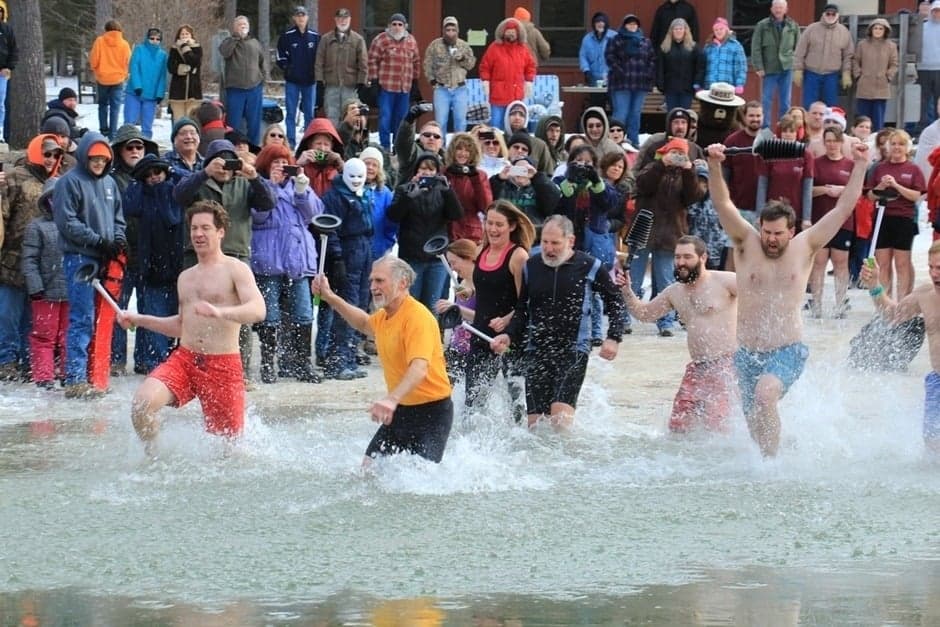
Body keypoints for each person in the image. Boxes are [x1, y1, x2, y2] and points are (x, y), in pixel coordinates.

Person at [705, 139, 869, 457]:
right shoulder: (746, 242)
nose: (771, 239)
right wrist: (714, 166)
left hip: (787, 349)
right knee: (753, 419)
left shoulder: (806, 246)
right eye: (767, 232)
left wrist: (861, 165)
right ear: (760, 227)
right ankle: (767, 459)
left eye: (778, 233)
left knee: (765, 395)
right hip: (747, 353)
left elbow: (842, 209)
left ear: (791, 231)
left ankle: (772, 465)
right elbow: (723, 204)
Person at [119, 201, 266, 452]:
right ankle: (154, 458)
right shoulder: (185, 277)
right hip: (185, 360)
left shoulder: (236, 269)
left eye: (206, 228)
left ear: (221, 232)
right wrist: (139, 319)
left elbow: (258, 310)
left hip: (223, 365)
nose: (198, 234)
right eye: (194, 228)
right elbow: (181, 326)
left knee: (230, 449)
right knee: (142, 405)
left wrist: (221, 312)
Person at [311, 256, 454, 464]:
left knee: (422, 478)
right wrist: (330, 297)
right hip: (401, 408)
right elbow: (364, 323)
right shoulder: (385, 315)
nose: (372, 287)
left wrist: (390, 399)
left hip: (431, 412)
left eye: (379, 281)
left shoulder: (417, 317)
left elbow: (419, 368)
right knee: (368, 469)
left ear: (402, 283)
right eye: (371, 281)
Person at [491, 215, 625, 429]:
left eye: (555, 243)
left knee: (559, 422)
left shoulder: (589, 266)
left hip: (573, 349)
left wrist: (614, 337)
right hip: (537, 350)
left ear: (570, 241)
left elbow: (615, 301)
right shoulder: (531, 266)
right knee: (535, 426)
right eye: (545, 242)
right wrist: (508, 335)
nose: (548, 248)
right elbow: (523, 309)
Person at [618, 235, 738, 433]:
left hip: (727, 366)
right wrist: (627, 291)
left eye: (687, 257)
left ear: (703, 258)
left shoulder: (726, 281)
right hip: (697, 368)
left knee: (718, 428)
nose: (681, 262)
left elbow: (761, 297)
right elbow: (644, 314)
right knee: (678, 427)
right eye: (677, 257)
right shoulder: (674, 292)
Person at [53, 132, 126, 398]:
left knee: (103, 318)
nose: (98, 163)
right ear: (84, 155)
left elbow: (118, 218)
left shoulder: (110, 183)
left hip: (106, 258)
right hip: (80, 256)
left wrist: (118, 241)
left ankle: (96, 375)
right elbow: (67, 222)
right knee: (82, 317)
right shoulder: (69, 182)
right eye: (94, 158)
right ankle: (75, 378)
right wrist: (98, 241)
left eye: (103, 159)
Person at [250, 144, 321, 384]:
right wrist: (269, 187)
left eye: (284, 162)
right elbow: (257, 216)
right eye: (275, 162)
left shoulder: (297, 185)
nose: (281, 166)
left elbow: (314, 215)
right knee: (270, 316)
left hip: (297, 259)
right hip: (269, 258)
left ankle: (303, 363)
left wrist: (302, 191)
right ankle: (268, 364)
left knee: (304, 313)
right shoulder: (258, 185)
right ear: (266, 165)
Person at [861, 244, 940, 452]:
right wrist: (874, 285)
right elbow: (892, 315)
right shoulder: (925, 294)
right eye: (931, 267)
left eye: (939, 268)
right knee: (933, 447)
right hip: (937, 382)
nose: (934, 274)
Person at [0, 136, 63, 382]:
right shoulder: (14, 178)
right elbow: (3, 216)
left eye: (56, 155)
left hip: (43, 266)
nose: (51, 159)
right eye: (47, 154)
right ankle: (6, 361)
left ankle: (29, 362)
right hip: (12, 262)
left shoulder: (58, 182)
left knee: (34, 319)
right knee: (7, 316)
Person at [463, 201, 533, 423]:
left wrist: (507, 320)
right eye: (489, 223)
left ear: (512, 226)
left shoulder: (518, 256)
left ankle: (520, 439)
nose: (492, 229)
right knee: (473, 402)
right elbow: (484, 287)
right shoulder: (481, 250)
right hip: (480, 334)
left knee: (517, 403)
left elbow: (527, 301)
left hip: (510, 338)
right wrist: (468, 291)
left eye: (499, 224)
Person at [122, 154, 186, 374]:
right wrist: (138, 180)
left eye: (157, 172)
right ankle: (156, 368)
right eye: (148, 175)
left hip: (179, 270)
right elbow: (128, 206)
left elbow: (192, 180)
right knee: (155, 324)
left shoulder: (177, 190)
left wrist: (172, 170)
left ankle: (175, 368)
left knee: (180, 323)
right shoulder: (141, 195)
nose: (153, 177)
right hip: (152, 270)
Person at [632, 137, 702, 337]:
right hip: (644, 229)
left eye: (681, 153)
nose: (677, 157)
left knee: (666, 281)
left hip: (670, 234)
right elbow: (642, 185)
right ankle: (623, 319)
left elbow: (693, 197)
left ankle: (666, 322)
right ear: (665, 152)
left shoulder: (687, 173)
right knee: (633, 279)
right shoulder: (653, 166)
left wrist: (688, 171)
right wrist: (661, 165)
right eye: (674, 152)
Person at [386, 152, 463, 311]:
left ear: (437, 172)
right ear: (416, 171)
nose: (426, 173)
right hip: (411, 256)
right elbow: (393, 216)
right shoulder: (404, 189)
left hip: (437, 257)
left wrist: (448, 192)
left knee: (432, 306)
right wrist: (408, 197)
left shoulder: (443, 190)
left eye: (431, 169)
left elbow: (457, 215)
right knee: (410, 305)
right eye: (422, 168)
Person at [867, 129, 927, 300]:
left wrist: (896, 185)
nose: (896, 147)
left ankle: (903, 303)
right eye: (893, 144)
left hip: (904, 218)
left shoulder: (913, 169)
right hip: (882, 218)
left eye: (901, 144)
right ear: (888, 147)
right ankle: (884, 303)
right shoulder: (879, 168)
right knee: (883, 263)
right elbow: (870, 195)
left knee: (902, 263)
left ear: (907, 147)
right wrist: (881, 186)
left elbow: (916, 196)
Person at [22, 178, 67, 390]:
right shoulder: (36, 227)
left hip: (71, 292)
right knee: (43, 336)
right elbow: (29, 259)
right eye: (53, 198)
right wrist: (35, 287)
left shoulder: (76, 225)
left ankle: (68, 373)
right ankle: (43, 376)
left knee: (68, 336)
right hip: (45, 293)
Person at [808, 125, 855, 318]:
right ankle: (816, 305)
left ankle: (840, 304)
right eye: (828, 141)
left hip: (843, 221)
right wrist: (826, 190)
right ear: (823, 143)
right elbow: (807, 191)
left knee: (840, 263)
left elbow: (857, 193)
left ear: (841, 142)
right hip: (820, 219)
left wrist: (842, 191)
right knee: (818, 262)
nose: (832, 145)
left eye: (835, 141)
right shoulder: (815, 163)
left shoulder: (850, 165)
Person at [368, 13, 421, 152]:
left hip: (405, 88)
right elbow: (372, 60)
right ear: (389, 26)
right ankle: (385, 146)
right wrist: (374, 81)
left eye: (400, 24)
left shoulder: (411, 41)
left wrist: (415, 81)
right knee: (385, 118)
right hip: (386, 86)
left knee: (402, 119)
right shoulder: (381, 39)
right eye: (394, 24)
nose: (397, 27)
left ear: (405, 26)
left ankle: (398, 147)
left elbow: (416, 62)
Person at [605, 14, 656, 148]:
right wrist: (619, 71)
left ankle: (634, 142)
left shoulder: (645, 41)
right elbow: (609, 57)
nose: (632, 26)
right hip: (621, 83)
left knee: (635, 114)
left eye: (634, 24)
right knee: (621, 113)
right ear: (624, 25)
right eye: (629, 24)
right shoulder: (615, 40)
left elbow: (652, 59)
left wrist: (648, 73)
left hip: (640, 84)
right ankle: (615, 142)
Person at [478, 18, 537, 132]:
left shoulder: (523, 49)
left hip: (516, 96)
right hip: (498, 96)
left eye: (513, 32)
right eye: (508, 31)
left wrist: (529, 81)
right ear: (503, 32)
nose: (511, 34)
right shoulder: (494, 48)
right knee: (496, 127)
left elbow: (531, 66)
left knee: (515, 128)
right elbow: (484, 66)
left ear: (518, 33)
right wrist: (485, 81)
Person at [314, 8, 368, 127]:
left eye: (345, 18)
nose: (343, 21)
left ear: (350, 19)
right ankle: (334, 138)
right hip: (331, 85)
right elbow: (319, 61)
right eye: (340, 18)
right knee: (331, 116)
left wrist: (362, 82)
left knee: (350, 116)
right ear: (335, 20)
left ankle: (347, 138)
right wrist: (319, 80)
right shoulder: (326, 39)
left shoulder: (358, 40)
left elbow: (363, 63)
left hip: (350, 86)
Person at [793, 4, 854, 108]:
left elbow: (848, 55)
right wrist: (798, 70)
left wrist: (846, 72)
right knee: (809, 106)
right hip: (811, 74)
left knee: (831, 107)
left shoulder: (844, 32)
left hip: (831, 76)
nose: (830, 16)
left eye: (833, 14)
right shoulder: (811, 29)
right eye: (828, 13)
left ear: (837, 15)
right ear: (823, 14)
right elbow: (800, 51)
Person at [750, 0, 800, 127]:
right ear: (771, 9)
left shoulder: (793, 26)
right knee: (766, 101)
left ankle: (784, 127)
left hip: (786, 67)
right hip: (769, 68)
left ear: (786, 10)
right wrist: (759, 66)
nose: (778, 10)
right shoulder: (762, 25)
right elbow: (756, 47)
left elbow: (798, 48)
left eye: (781, 8)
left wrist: (796, 65)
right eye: (776, 7)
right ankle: (765, 129)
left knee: (785, 102)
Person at [276, 6, 320, 148]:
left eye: (303, 15)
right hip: (292, 82)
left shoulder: (315, 36)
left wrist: (317, 73)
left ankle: (307, 143)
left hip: (310, 81)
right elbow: (279, 55)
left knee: (309, 114)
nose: (301, 18)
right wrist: (287, 68)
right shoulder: (287, 36)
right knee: (290, 113)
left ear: (307, 17)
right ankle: (290, 142)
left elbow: (320, 57)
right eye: (298, 16)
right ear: (294, 18)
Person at [424, 16, 476, 134]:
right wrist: (432, 81)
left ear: (457, 31)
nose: (450, 33)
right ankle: (440, 145)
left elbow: (471, 64)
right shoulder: (435, 45)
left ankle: (459, 145)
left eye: (453, 30)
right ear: (443, 31)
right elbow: (427, 64)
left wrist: (462, 58)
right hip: (442, 89)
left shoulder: (464, 45)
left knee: (461, 122)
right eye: (448, 30)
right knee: (440, 122)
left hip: (460, 89)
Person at [220, 16, 267, 146]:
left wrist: (262, 79)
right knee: (233, 122)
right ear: (234, 27)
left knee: (254, 122)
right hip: (235, 88)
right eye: (239, 24)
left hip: (254, 88)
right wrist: (236, 38)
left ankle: (254, 148)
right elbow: (224, 52)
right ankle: (231, 147)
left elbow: (262, 62)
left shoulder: (255, 43)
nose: (243, 26)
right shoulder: (228, 42)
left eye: (245, 24)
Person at [443, 132, 492, 243]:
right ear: (452, 151)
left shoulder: (480, 176)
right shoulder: (443, 173)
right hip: (446, 232)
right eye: (459, 149)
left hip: (470, 234)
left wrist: (475, 179)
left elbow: (486, 207)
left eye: (467, 150)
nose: (463, 153)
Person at [852, 18, 899, 133]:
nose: (878, 30)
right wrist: (858, 75)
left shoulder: (891, 46)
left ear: (885, 31)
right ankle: (861, 137)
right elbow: (855, 61)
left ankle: (877, 138)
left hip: (881, 87)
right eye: (875, 28)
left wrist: (888, 76)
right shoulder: (862, 44)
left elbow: (894, 64)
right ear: (871, 30)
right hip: (864, 86)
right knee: (863, 119)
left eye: (880, 28)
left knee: (878, 119)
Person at [89, 20, 132, 140]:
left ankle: (103, 131)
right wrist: (124, 73)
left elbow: (94, 60)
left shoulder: (100, 41)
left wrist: (95, 70)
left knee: (103, 105)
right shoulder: (124, 44)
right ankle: (113, 134)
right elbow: (128, 61)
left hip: (103, 78)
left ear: (106, 29)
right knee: (115, 107)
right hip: (118, 79)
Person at [722, 101, 763, 226]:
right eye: (751, 116)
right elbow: (724, 175)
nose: (755, 119)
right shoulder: (732, 141)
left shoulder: (770, 140)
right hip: (738, 208)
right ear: (744, 117)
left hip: (765, 210)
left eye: (758, 115)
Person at [124, 28, 168, 140]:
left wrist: (160, 93)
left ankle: (146, 145)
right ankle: (125, 142)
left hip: (151, 95)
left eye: (158, 39)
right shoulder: (139, 49)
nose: (154, 41)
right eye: (152, 38)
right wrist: (137, 86)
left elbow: (163, 75)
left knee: (147, 126)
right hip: (134, 93)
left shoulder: (163, 55)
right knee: (129, 122)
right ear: (147, 38)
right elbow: (134, 67)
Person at [656, 18, 704, 113]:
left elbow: (700, 67)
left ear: (685, 30)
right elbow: (660, 67)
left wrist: (697, 83)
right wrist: (660, 84)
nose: (678, 31)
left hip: (687, 89)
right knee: (672, 114)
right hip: (670, 88)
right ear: (671, 31)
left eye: (681, 28)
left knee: (684, 114)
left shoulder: (694, 47)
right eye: (676, 29)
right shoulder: (665, 47)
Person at [167, 25, 203, 124]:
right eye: (182, 34)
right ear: (178, 36)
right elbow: (170, 66)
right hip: (177, 91)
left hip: (193, 91)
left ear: (191, 35)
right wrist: (180, 69)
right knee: (178, 121)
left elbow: (194, 61)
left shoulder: (197, 47)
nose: (184, 36)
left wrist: (184, 46)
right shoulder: (174, 48)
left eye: (187, 33)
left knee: (191, 120)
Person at [579, 12, 617, 109]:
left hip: (612, 80)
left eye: (602, 21)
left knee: (616, 108)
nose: (600, 24)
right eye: (597, 22)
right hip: (595, 80)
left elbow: (621, 56)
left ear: (606, 23)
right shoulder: (587, 39)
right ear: (593, 24)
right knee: (597, 108)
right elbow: (583, 56)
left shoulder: (614, 37)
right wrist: (586, 70)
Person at [702, 18, 747, 96]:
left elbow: (741, 66)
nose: (718, 31)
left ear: (726, 30)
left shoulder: (735, 45)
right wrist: (699, 83)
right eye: (716, 30)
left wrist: (740, 84)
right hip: (709, 87)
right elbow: (702, 66)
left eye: (721, 29)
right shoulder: (708, 46)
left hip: (727, 87)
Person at [916, 1, 940, 134]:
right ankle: (922, 129)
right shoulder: (922, 27)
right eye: (935, 11)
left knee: (939, 101)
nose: (937, 14)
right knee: (922, 101)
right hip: (923, 68)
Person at [0, 2, 15, 144]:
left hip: (2, 73)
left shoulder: (7, 29)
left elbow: (14, 50)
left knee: (1, 104)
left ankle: (1, 133)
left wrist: (9, 67)